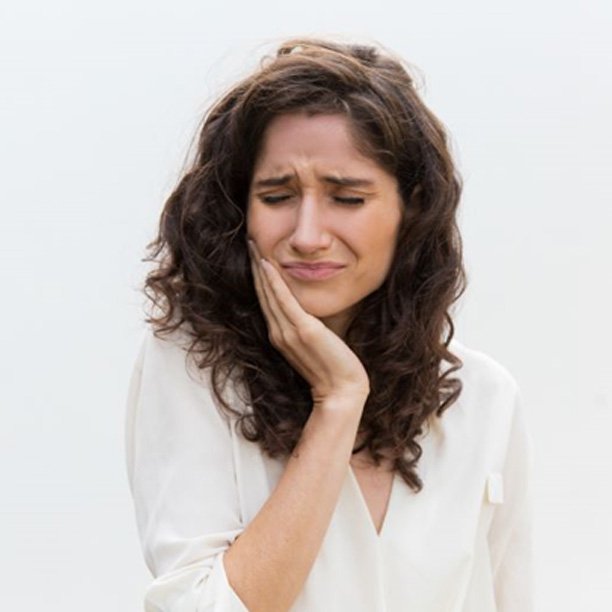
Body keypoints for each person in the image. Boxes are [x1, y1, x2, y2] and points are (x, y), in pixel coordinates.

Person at [124, 37, 534, 611]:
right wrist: (338, 400)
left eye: (347, 197)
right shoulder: (195, 370)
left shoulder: (485, 397)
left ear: (411, 208)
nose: (308, 234)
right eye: (276, 195)